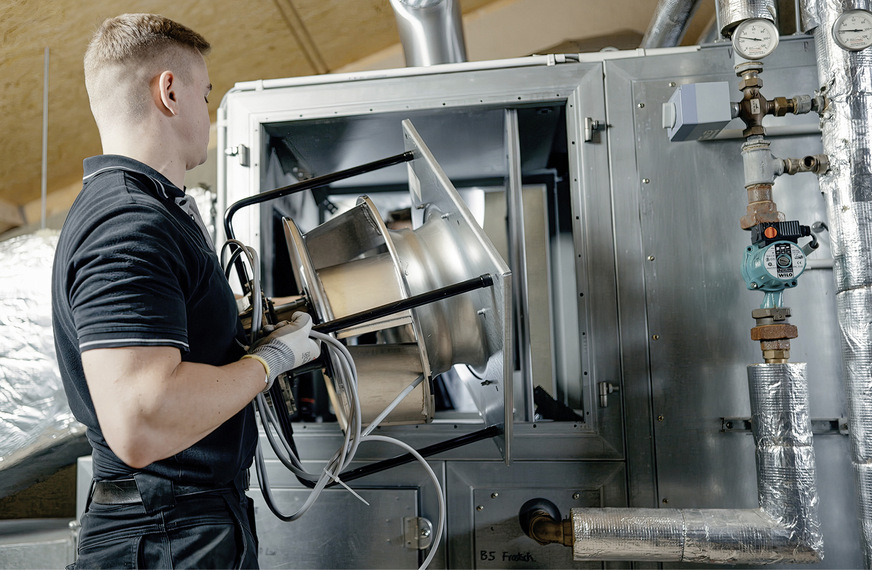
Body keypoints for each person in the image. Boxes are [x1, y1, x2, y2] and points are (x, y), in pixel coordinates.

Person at [51, 13, 319, 569]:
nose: (210, 116)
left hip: (180, 527)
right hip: (165, 535)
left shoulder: (143, 212)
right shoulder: (129, 222)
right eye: (206, 95)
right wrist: (272, 361)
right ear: (169, 92)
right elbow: (142, 420)